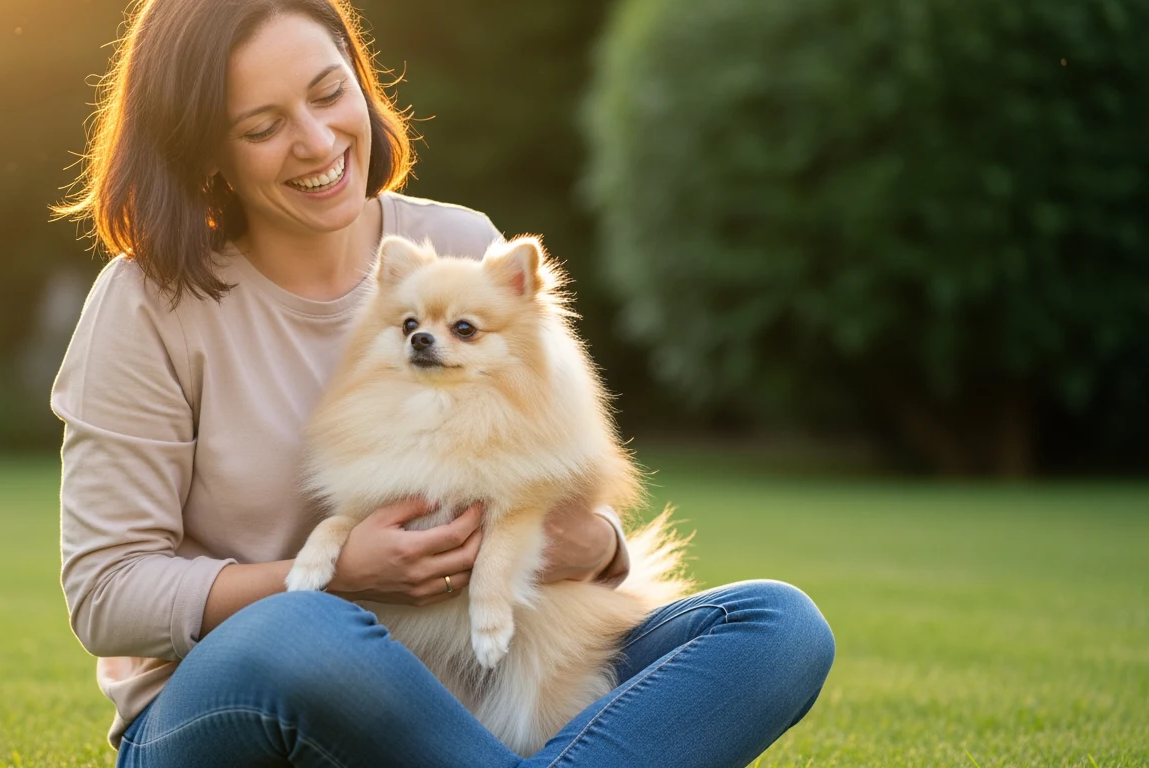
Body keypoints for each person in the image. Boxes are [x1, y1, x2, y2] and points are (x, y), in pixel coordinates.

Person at [52, 1, 835, 765]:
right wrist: (333, 576)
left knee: (776, 626)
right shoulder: (149, 303)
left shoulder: (460, 246)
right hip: (235, 707)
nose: (317, 140)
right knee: (303, 630)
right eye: (263, 127)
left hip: (489, 677)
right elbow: (105, 593)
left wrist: (594, 544)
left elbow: (563, 477)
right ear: (204, 152)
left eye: (329, 93)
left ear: (361, 80)